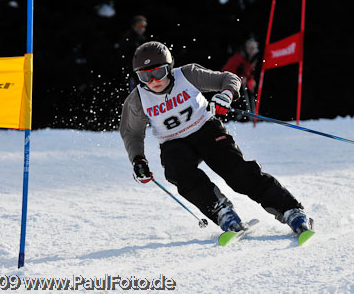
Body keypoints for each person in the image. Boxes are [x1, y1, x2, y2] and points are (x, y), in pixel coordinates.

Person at [119, 41, 313, 235]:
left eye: (158, 73)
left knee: (238, 174)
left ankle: (291, 210)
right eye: (144, 76)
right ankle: (222, 212)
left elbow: (229, 78)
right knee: (178, 173)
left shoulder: (187, 75)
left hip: (206, 131)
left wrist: (226, 94)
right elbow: (131, 132)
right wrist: (138, 159)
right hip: (173, 143)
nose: (153, 81)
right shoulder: (138, 99)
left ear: (169, 68)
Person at [222, 38, 260, 114]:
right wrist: (239, 78)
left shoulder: (252, 59)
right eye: (251, 48)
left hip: (242, 85)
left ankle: (252, 114)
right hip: (230, 85)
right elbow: (225, 72)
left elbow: (249, 74)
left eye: (254, 48)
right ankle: (238, 114)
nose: (252, 51)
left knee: (251, 92)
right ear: (246, 48)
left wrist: (250, 81)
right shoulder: (238, 58)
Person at [118, 15, 148, 91]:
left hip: (140, 72)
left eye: (143, 25)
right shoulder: (128, 39)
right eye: (138, 25)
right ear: (133, 26)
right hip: (130, 71)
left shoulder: (143, 40)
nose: (141, 27)